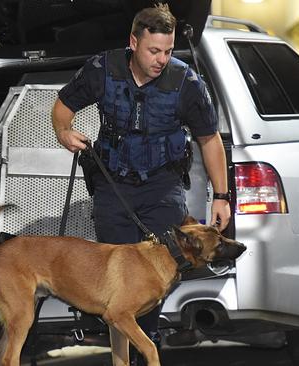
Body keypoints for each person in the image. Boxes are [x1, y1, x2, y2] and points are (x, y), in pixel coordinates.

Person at [51, 4, 231, 365]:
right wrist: (64, 133)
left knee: (154, 281)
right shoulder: (102, 70)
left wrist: (222, 196)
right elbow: (62, 107)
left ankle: (146, 353)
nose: (161, 59)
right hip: (113, 188)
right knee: (118, 290)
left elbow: (210, 140)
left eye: (167, 51)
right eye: (154, 50)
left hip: (162, 190)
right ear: (133, 42)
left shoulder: (186, 82)